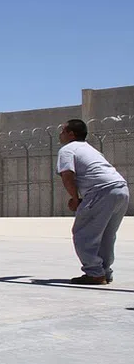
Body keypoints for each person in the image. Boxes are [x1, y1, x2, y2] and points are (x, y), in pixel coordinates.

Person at [56, 119, 129, 285]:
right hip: (121, 189)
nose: (60, 134)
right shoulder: (90, 149)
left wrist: (76, 199)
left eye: (62, 130)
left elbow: (67, 175)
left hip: (101, 191)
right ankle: (104, 271)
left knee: (83, 234)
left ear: (71, 134)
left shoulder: (67, 150)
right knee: (107, 235)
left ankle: (95, 272)